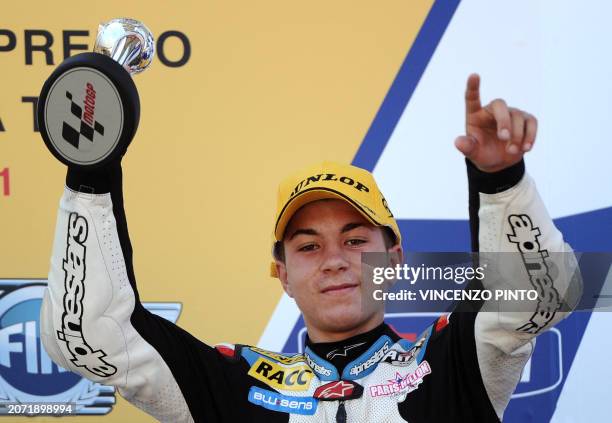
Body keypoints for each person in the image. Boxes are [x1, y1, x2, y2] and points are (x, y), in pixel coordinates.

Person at [40, 74, 578, 422]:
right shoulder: (232, 385)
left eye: (355, 238)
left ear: (393, 260)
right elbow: (91, 335)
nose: (336, 259)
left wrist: (502, 179)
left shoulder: (453, 360)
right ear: (281, 274)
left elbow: (542, 297)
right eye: (308, 246)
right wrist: (92, 173)